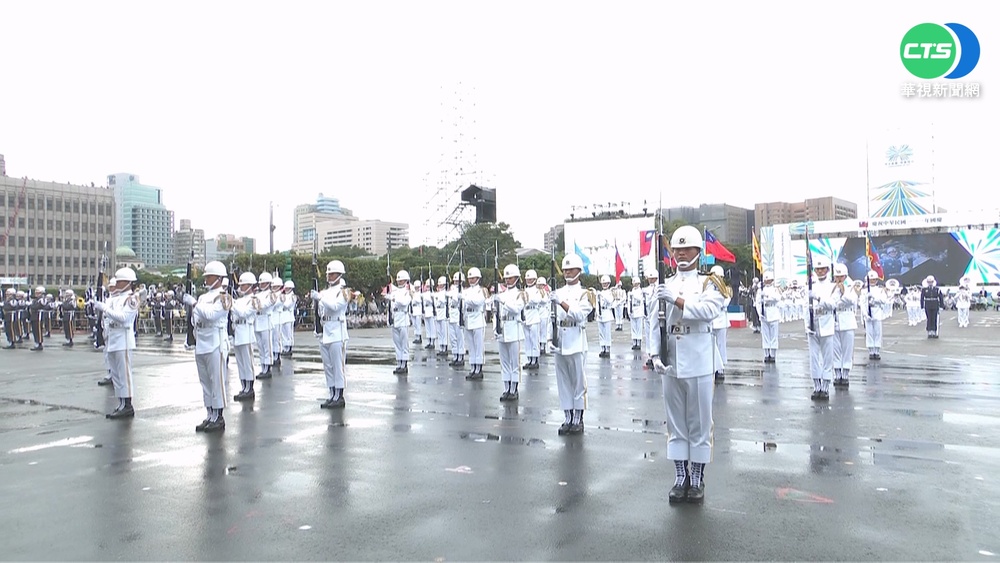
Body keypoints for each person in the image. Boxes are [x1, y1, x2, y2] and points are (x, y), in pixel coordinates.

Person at [650, 226, 726, 504]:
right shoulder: (664, 284)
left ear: (698, 252)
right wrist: (654, 354)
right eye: (677, 249)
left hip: (699, 356)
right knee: (675, 422)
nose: (681, 253)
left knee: (699, 422)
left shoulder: (710, 283)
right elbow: (653, 321)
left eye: (687, 249)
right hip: (671, 357)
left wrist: (678, 301)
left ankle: (697, 477)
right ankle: (680, 476)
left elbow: (708, 311)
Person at [183, 261, 231, 432]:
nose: (206, 279)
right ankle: (210, 414)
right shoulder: (204, 297)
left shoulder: (224, 297)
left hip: (215, 343)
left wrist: (195, 304)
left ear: (218, 278)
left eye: (209, 276)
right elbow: (195, 319)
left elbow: (211, 315)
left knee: (216, 381)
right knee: (205, 383)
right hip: (202, 342)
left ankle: (218, 416)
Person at [550, 254, 595, 435]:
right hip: (560, 339)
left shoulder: (586, 294)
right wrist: (549, 339)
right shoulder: (558, 291)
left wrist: (560, 302)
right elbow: (551, 317)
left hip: (576, 339)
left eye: (571, 269)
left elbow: (578, 315)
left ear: (579, 271)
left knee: (578, 382)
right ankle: (567, 416)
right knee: (563, 382)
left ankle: (578, 418)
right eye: (566, 269)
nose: (568, 272)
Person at [93, 268, 140, 419]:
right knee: (116, 375)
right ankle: (120, 403)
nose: (117, 284)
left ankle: (127, 404)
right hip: (113, 338)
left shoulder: (132, 299)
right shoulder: (115, 298)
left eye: (120, 281)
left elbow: (124, 318)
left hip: (124, 340)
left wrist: (105, 309)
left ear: (128, 283)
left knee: (124, 374)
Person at [312, 260, 352, 408]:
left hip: (337, 331)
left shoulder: (344, 291)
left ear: (339, 274)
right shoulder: (325, 291)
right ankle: (331, 393)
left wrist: (320, 298)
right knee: (328, 366)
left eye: (332, 273)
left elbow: (335, 307)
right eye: (328, 273)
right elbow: (320, 310)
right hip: (326, 330)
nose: (328, 276)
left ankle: (339, 396)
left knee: (337, 366)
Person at [805, 257, 838, 401]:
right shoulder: (809, 285)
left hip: (826, 322)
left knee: (827, 357)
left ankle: (825, 386)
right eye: (817, 269)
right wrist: (807, 324)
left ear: (828, 270)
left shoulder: (833, 287)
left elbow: (832, 304)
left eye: (822, 269)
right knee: (813, 357)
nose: (819, 271)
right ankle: (816, 385)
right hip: (813, 323)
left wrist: (818, 298)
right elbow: (804, 307)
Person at [495, 264, 527, 401]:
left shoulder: (521, 294)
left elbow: (516, 309)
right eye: (506, 278)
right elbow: (497, 313)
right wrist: (496, 328)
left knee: (514, 362)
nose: (508, 280)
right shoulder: (501, 294)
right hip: (503, 328)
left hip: (514, 329)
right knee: (504, 362)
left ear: (517, 278)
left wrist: (502, 302)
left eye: (511, 277)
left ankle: (514, 388)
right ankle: (506, 388)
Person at [231, 272, 259, 401]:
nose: (241, 287)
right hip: (238, 332)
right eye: (240, 285)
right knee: (240, 363)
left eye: (243, 285)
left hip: (246, 333)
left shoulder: (254, 300)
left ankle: (250, 388)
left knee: (248, 363)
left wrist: (232, 304)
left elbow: (244, 314)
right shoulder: (239, 300)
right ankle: (243, 387)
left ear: (250, 286)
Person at [831, 264, 858, 387]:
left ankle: (845, 373)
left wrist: (844, 292)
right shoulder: (832, 287)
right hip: (835, 320)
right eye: (837, 276)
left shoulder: (851, 286)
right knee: (835, 349)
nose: (838, 279)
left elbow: (852, 300)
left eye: (841, 276)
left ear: (845, 276)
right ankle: (837, 373)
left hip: (847, 320)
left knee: (847, 349)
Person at [462, 267, 488, 380]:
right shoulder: (466, 291)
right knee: (471, 346)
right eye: (470, 278)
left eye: (473, 278)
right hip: (468, 319)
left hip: (477, 319)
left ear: (478, 278)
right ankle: (472, 367)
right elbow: (463, 306)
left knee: (478, 346)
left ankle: (479, 368)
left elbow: (477, 303)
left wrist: (465, 299)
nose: (471, 280)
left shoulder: (482, 290)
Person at [253, 272, 277, 379]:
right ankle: (263, 366)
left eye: (263, 283)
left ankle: (268, 367)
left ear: (268, 283)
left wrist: (257, 305)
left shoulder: (271, 295)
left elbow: (265, 305)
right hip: (257, 321)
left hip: (266, 321)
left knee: (267, 347)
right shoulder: (257, 294)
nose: (261, 285)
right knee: (260, 347)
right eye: (261, 283)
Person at [389, 270, 413, 375]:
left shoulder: (408, 291)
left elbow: (404, 303)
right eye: (398, 280)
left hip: (403, 318)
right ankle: (399, 363)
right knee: (397, 343)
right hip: (395, 318)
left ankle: (404, 364)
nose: (399, 282)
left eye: (401, 280)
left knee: (404, 343)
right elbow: (391, 306)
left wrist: (394, 299)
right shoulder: (394, 291)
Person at [861, 271, 889, 360]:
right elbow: (862, 303)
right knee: (869, 332)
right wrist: (865, 314)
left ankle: (877, 350)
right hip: (868, 313)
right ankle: (871, 350)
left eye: (874, 280)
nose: (872, 281)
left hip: (877, 311)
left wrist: (874, 298)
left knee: (877, 332)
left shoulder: (880, 290)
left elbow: (884, 300)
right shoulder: (864, 291)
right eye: (871, 280)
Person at [709, 265, 730, 382]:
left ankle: (720, 368)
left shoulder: (725, 289)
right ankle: (712, 367)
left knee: (721, 345)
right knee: (711, 346)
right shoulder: (707, 288)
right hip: (711, 319)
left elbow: (726, 301)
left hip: (721, 319)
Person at [521, 270, 544, 371]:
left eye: (530, 279)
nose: (529, 281)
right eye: (527, 279)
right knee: (527, 340)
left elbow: (537, 300)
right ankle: (529, 358)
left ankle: (535, 360)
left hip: (534, 316)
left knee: (534, 339)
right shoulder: (524, 290)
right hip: (525, 316)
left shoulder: (537, 290)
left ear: (535, 280)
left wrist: (527, 299)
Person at [759, 272, 781, 363]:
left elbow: (777, 298)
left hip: (773, 312)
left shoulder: (775, 289)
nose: (767, 281)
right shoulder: (760, 290)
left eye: (768, 280)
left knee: (773, 335)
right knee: (765, 335)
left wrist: (767, 297)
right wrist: (760, 313)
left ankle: (773, 354)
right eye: (766, 280)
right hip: (765, 313)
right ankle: (766, 354)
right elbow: (757, 302)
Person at [447, 271, 466, 367]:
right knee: (453, 338)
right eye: (454, 281)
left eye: (457, 281)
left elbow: (457, 302)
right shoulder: (452, 290)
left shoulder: (462, 291)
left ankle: (461, 356)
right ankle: (455, 355)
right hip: (452, 315)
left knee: (460, 338)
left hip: (458, 315)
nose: (455, 282)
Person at [595, 275, 616, 358]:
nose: (604, 285)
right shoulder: (599, 293)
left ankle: (607, 349)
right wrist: (597, 312)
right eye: (603, 283)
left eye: (606, 283)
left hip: (607, 312)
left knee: (607, 332)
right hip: (600, 313)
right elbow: (597, 304)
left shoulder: (610, 292)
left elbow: (610, 300)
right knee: (601, 333)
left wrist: (602, 295)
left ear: (609, 284)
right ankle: (602, 348)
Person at [280, 280, 297, 356]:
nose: (286, 289)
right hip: (283, 316)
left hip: (289, 316)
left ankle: (289, 348)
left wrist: (281, 302)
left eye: (287, 288)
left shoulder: (293, 296)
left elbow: (287, 305)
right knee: (283, 334)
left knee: (288, 334)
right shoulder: (284, 296)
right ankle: (284, 348)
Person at [434, 276, 449, 357]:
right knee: (439, 331)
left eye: (442, 284)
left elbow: (445, 301)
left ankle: (445, 347)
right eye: (439, 284)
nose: (440, 286)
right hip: (438, 312)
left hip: (443, 312)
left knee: (444, 331)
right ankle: (441, 347)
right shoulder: (438, 293)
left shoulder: (446, 293)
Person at [28, 286, 46, 351]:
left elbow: (36, 306)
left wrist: (32, 306)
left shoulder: (42, 299)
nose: (36, 294)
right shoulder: (36, 300)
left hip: (39, 316)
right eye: (36, 293)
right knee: (35, 330)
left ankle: (40, 343)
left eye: (38, 293)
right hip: (34, 316)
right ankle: (36, 343)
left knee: (38, 330)